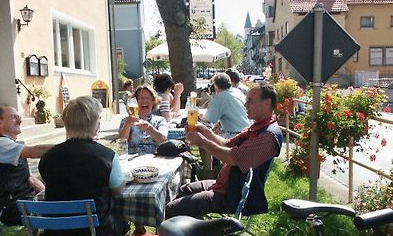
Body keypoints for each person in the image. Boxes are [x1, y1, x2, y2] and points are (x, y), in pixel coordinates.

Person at [165, 83, 283, 219]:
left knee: (170, 210)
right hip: (223, 186)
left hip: (232, 195)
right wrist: (204, 131)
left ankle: (188, 234)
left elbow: (232, 158)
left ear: (267, 103)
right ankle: (193, 230)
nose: (245, 105)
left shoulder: (267, 136)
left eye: (250, 101)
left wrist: (202, 142)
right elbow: (227, 144)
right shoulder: (258, 127)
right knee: (183, 190)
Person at [39, 96, 129, 236]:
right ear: (95, 124)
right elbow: (117, 190)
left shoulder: (47, 157)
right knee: (121, 220)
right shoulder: (107, 156)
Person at [0, 106, 54, 226]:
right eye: (14, 117)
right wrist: (68, 147)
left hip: (26, 201)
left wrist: (47, 194)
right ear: (0, 122)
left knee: (66, 200)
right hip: (10, 209)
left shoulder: (12, 145)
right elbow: (34, 152)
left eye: (19, 117)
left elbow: (31, 179)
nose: (20, 121)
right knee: (65, 210)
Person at [118, 84, 168, 154]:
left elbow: (163, 140)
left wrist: (150, 129)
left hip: (154, 159)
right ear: (136, 101)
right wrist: (127, 125)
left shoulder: (160, 120)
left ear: (153, 101)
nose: (144, 101)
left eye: (147, 98)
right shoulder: (126, 121)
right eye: (141, 98)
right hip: (132, 159)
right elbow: (121, 145)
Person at [201, 72, 251, 139]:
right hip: (247, 132)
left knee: (204, 141)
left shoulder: (221, 96)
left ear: (216, 86)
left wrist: (200, 116)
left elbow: (209, 119)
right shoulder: (237, 91)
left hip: (235, 136)